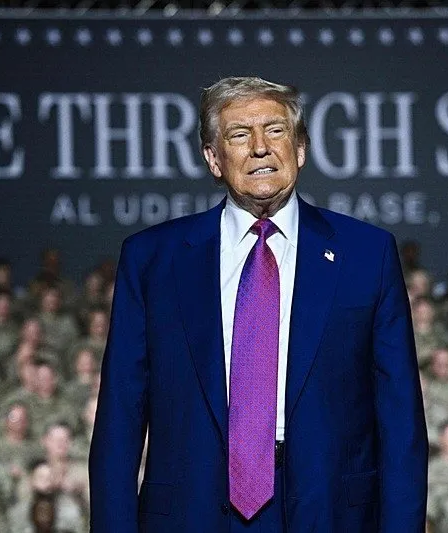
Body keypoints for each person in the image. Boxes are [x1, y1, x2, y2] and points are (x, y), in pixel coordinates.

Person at [89, 76, 428, 532]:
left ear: (300, 149)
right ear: (213, 158)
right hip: (193, 510)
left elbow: (401, 420)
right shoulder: (153, 259)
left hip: (328, 510)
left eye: (275, 130)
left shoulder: (367, 255)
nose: (260, 148)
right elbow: (120, 419)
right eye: (239, 135)